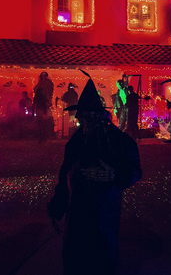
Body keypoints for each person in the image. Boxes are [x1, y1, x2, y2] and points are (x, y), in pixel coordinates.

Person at [48, 74, 142, 275]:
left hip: (104, 213)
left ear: (97, 117)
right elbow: (64, 174)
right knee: (75, 258)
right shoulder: (76, 142)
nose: (81, 121)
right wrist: (58, 205)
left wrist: (115, 175)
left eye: (86, 117)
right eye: (81, 117)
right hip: (78, 211)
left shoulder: (118, 141)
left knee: (101, 259)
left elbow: (134, 170)